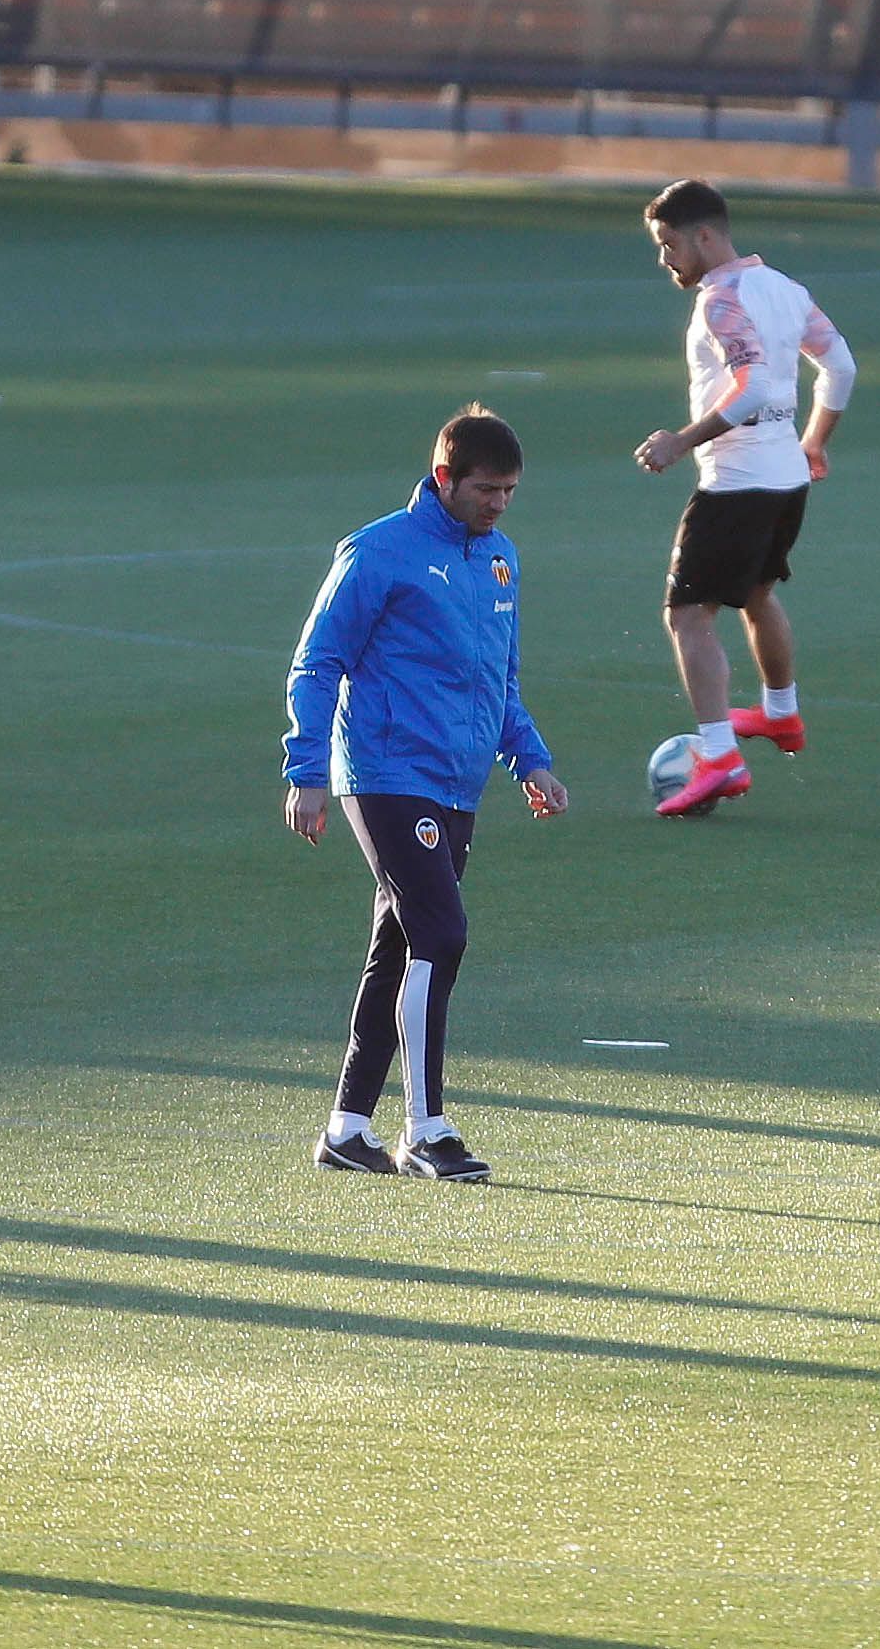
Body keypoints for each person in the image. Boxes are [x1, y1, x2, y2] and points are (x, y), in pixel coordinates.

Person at [281, 407, 568, 1182]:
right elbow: (317, 663)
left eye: (509, 490)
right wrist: (306, 771)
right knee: (441, 934)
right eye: (485, 487)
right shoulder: (378, 552)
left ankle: (346, 1127)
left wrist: (529, 760)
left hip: (456, 781)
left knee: (400, 946)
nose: (498, 502)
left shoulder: (500, 559)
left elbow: (498, 678)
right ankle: (425, 1128)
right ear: (444, 477)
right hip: (383, 772)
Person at [632, 178, 857, 819]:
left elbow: (753, 387)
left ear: (705, 235)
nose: (666, 258)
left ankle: (719, 756)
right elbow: (841, 366)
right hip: (785, 476)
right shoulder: (786, 289)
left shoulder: (720, 299)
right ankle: (781, 715)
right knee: (757, 596)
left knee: (689, 616)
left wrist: (683, 439)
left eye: (670, 244)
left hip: (737, 481)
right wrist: (813, 443)